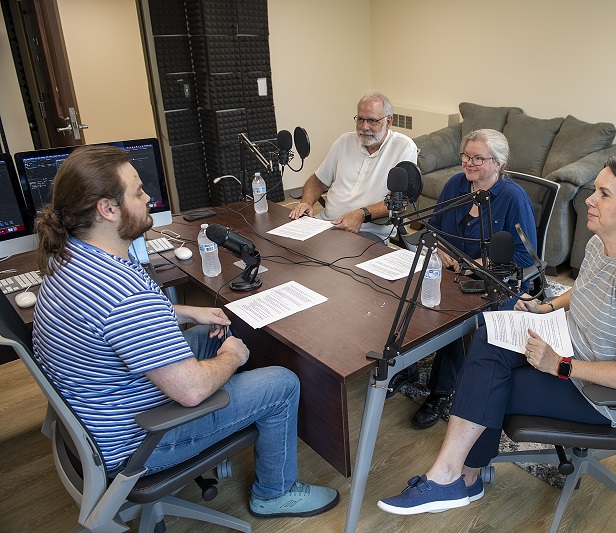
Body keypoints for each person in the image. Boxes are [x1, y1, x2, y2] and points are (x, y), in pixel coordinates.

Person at [31, 145, 339, 519]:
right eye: (138, 191)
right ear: (107, 209)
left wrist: (184, 310)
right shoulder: (121, 295)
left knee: (209, 336)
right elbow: (190, 391)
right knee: (281, 381)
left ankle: (234, 420)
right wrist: (232, 356)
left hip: (103, 412)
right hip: (141, 440)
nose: (148, 198)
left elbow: (114, 326)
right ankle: (275, 494)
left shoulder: (69, 257)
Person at [377, 154, 616, 514]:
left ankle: (449, 477)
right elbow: (584, 290)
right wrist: (545, 308)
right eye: (594, 189)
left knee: (488, 385)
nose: (590, 199)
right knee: (489, 332)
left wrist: (561, 366)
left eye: (604, 193)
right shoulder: (603, 242)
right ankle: (464, 478)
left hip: (598, 394)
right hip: (568, 346)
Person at [392, 129, 537, 429]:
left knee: (457, 319)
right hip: (450, 271)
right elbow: (433, 227)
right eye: (466, 156)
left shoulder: (513, 198)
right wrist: (442, 249)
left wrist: (472, 265)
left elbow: (525, 259)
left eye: (478, 158)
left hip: (493, 282)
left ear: (498, 163)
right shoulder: (456, 184)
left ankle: (441, 391)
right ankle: (405, 365)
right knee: (400, 296)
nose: (469, 163)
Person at [288, 91, 418, 241]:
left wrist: (361, 214)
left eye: (372, 121)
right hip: (324, 224)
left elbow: (400, 202)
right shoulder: (344, 141)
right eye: (360, 119)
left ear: (388, 121)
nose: (364, 127)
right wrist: (306, 202)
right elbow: (318, 180)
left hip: (367, 231)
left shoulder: (403, 147)